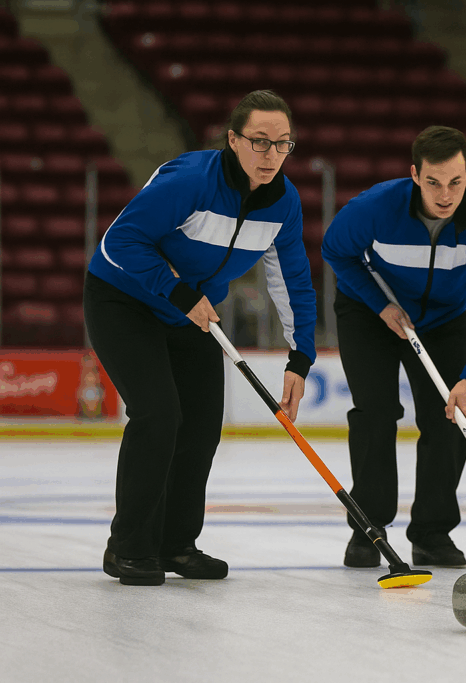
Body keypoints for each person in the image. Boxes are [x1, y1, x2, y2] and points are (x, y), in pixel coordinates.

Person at [84, 90, 316, 585]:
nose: (271, 154)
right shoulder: (190, 181)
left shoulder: (284, 204)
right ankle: (127, 548)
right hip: (123, 300)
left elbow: (292, 279)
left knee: (202, 425)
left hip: (191, 314)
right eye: (259, 141)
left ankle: (176, 545)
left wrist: (301, 357)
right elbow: (119, 240)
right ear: (233, 140)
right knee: (158, 414)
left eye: (282, 143)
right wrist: (177, 291)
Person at [321, 125, 466, 568]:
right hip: (369, 313)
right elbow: (336, 250)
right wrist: (379, 305)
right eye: (433, 182)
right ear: (414, 175)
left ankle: (432, 533)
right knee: (375, 412)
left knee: (449, 418)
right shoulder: (376, 206)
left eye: (455, 182)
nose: (445, 195)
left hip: (443, 320)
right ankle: (368, 530)